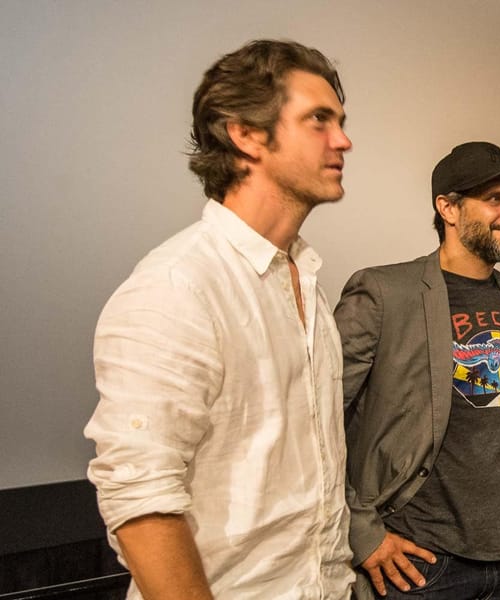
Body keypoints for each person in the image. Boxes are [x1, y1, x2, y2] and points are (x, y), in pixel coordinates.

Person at [84, 40, 354, 599]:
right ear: (246, 134)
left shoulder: (306, 284)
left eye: (341, 121)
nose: (343, 140)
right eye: (318, 120)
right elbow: (139, 500)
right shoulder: (178, 285)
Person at [336, 141, 500, 599]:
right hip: (418, 564)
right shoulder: (383, 292)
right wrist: (362, 533)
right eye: (496, 199)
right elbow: (318, 421)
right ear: (448, 208)